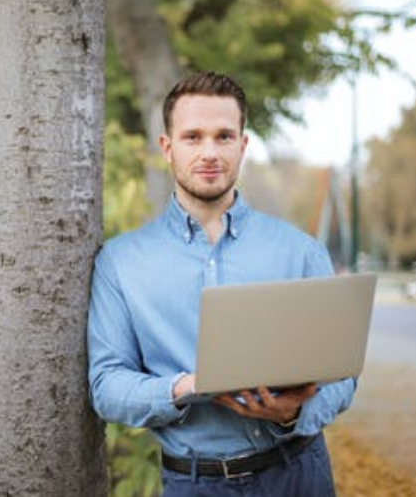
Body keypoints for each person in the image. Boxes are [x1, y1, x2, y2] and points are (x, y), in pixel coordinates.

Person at [87, 71, 355, 497]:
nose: (209, 152)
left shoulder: (300, 251)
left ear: (243, 145)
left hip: (299, 474)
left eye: (224, 136)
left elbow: (342, 376)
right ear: (167, 147)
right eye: (193, 137)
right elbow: (106, 386)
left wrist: (290, 415)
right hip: (195, 484)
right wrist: (184, 387)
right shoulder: (121, 263)